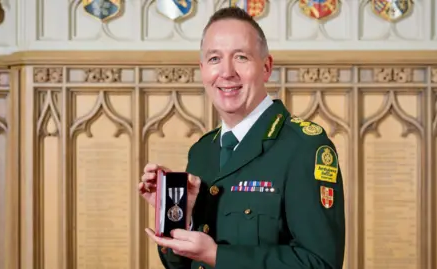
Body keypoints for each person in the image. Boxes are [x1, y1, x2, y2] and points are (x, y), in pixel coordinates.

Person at [139, 6, 345, 269]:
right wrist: (178, 215)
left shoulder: (304, 147)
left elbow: (321, 264)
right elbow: (182, 266)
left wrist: (216, 255)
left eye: (241, 57)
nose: (226, 72)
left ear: (266, 67)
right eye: (214, 59)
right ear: (202, 70)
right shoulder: (202, 151)